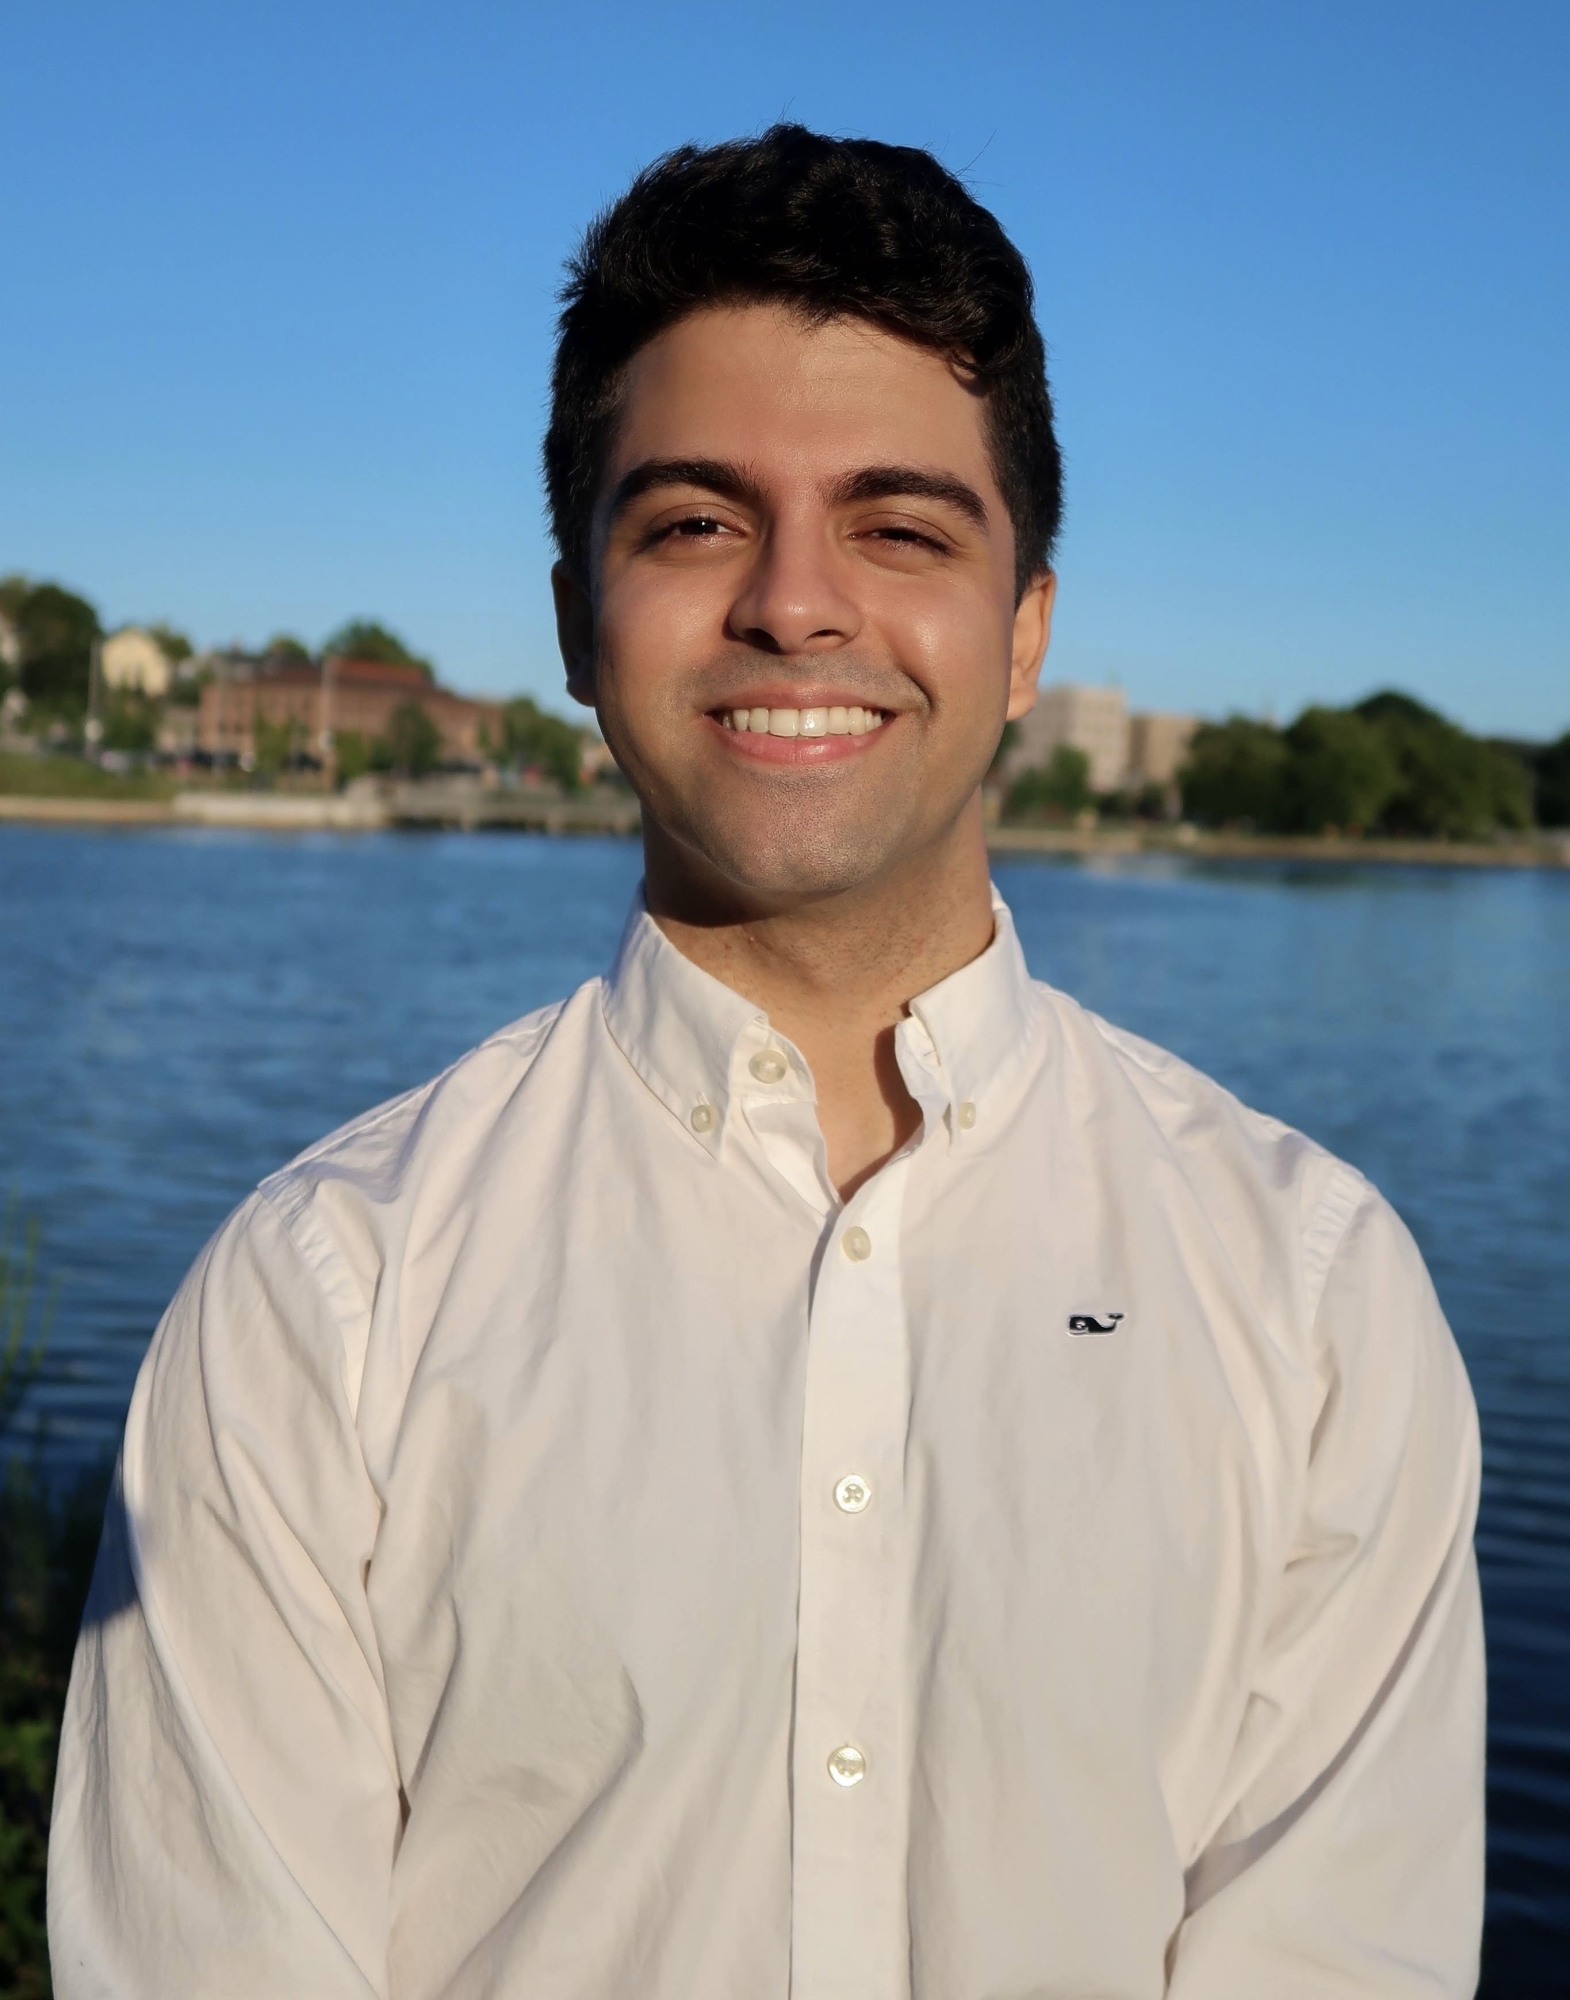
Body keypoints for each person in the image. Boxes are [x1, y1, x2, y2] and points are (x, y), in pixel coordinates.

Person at [48, 126, 1484, 1998]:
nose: (795, 604)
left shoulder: (1312, 1299)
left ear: (1027, 624)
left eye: (899, 526)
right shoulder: (324, 1303)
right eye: (694, 521)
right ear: (577, 617)